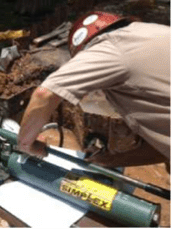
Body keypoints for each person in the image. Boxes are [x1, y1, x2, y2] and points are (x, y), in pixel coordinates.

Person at [18, 11, 170, 169]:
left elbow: (45, 94)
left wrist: (26, 144)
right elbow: (164, 143)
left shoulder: (109, 47)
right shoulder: (155, 31)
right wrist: (112, 160)